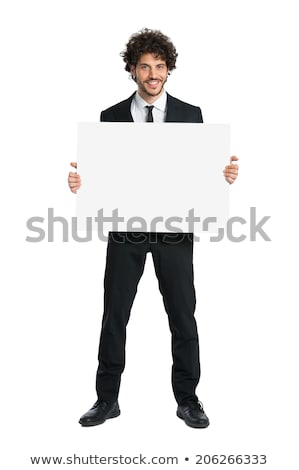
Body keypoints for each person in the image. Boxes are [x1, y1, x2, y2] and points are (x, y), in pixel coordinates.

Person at [68, 28, 239, 429]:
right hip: (125, 231)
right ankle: (106, 399)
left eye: (159, 66)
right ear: (132, 70)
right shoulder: (109, 117)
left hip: (176, 230)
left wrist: (223, 177)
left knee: (183, 315)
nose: (153, 74)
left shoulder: (191, 114)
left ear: (168, 70)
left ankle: (189, 399)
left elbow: (202, 173)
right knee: (115, 316)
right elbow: (101, 176)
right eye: (145, 66)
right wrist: (81, 183)